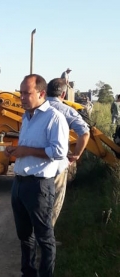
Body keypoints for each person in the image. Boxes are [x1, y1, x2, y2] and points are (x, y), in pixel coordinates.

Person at [5, 74, 69, 277]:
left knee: (44, 236)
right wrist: (15, 151)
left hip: (40, 185)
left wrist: (26, 151)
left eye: (26, 93)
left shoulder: (54, 118)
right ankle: (28, 274)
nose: (21, 97)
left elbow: (59, 152)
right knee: (24, 234)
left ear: (41, 94)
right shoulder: (27, 117)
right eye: (21, 92)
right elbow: (28, 147)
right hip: (20, 182)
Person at [46, 78, 90, 226]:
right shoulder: (66, 110)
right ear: (63, 94)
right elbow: (84, 132)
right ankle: (47, 236)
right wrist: (76, 154)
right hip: (57, 163)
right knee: (54, 200)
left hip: (35, 162)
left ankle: (33, 235)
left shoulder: (35, 108)